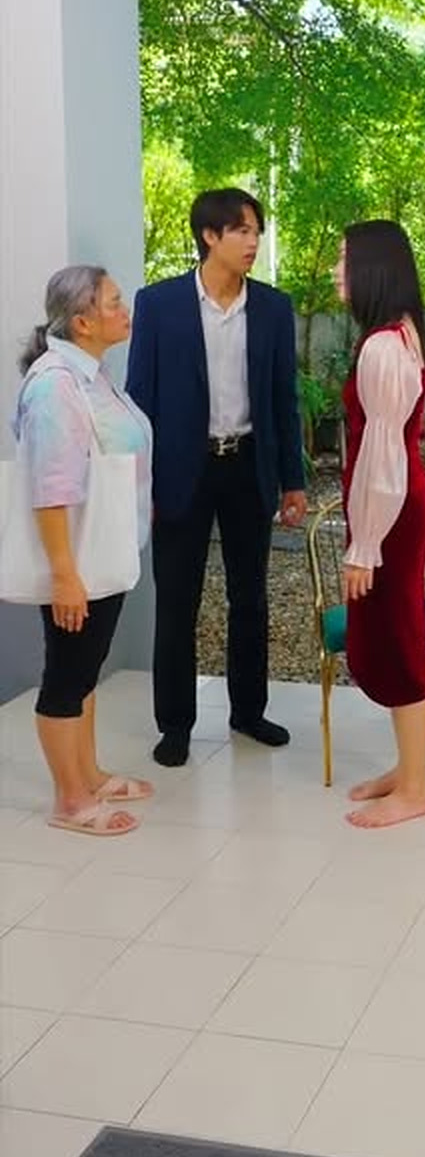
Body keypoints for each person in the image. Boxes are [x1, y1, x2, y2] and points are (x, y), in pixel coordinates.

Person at [126, 188, 306, 768]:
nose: (254, 242)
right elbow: (139, 399)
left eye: (257, 231)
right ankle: (175, 724)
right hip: (182, 470)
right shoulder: (159, 304)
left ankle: (248, 711)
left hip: (248, 465)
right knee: (177, 600)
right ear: (210, 236)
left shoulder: (273, 308)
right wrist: (140, 484)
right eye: (243, 231)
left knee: (249, 596)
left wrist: (293, 480)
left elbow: (284, 399)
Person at [12, 267, 152, 836]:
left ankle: (88, 774)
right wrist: (64, 576)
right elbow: (51, 489)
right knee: (67, 677)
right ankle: (70, 800)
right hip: (78, 559)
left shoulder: (91, 375)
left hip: (102, 551)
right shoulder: (56, 385)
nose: (126, 311)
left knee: (85, 670)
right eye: (115, 303)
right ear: (82, 322)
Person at [334, 220, 425, 830]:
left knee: (399, 638)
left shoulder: (382, 346)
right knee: (397, 630)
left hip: (391, 514)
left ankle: (416, 787)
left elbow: (381, 455)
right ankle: (407, 768)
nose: (336, 272)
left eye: (344, 260)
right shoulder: (402, 333)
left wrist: (365, 545)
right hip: (400, 505)